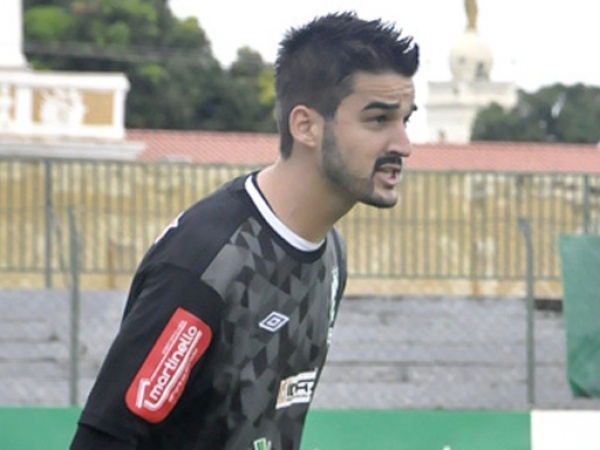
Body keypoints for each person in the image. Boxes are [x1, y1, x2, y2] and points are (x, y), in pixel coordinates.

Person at [70, 11, 419, 450]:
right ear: (306, 126)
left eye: (406, 120)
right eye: (379, 120)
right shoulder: (207, 262)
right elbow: (105, 440)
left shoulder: (331, 253)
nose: (403, 144)